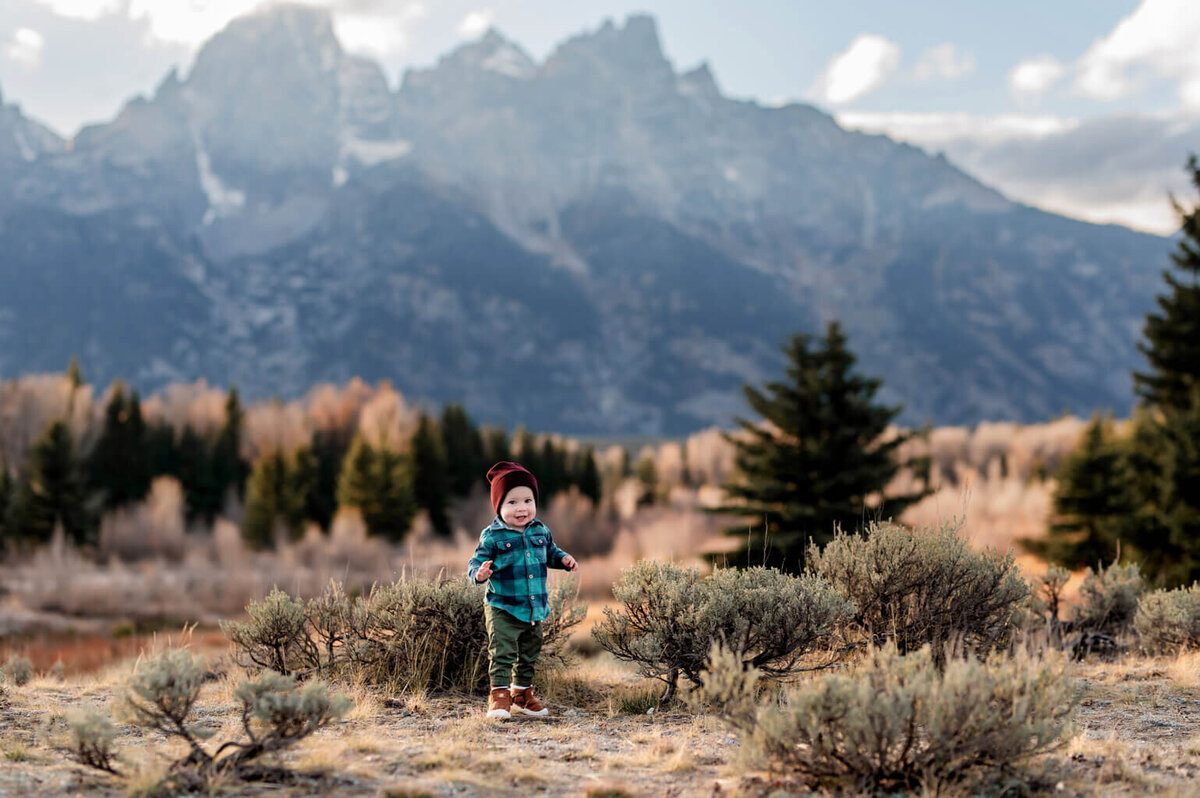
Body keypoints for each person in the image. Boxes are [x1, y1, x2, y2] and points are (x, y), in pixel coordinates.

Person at [467, 461, 577, 719]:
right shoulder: (492, 536)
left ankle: (522, 695)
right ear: (499, 506)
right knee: (502, 652)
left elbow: (550, 553)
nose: (522, 508)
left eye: (528, 500)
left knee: (529, 652)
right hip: (502, 606)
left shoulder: (540, 530)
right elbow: (474, 562)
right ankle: (499, 696)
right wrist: (479, 574)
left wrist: (562, 559)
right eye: (512, 502)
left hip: (532, 607)